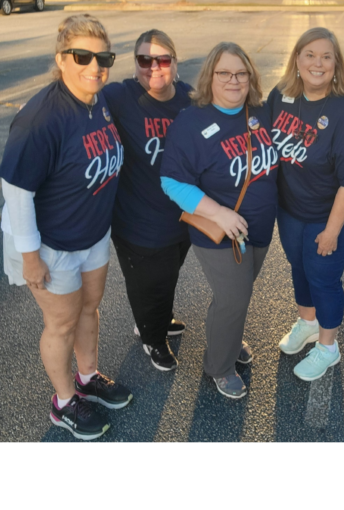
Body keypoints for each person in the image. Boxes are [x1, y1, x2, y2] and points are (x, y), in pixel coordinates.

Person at [0, 15, 131, 441]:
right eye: (82, 56)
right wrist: (30, 257)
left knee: (89, 309)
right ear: (61, 59)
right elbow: (16, 192)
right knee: (60, 323)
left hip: (92, 234)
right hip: (51, 245)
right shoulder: (41, 117)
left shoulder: (99, 100)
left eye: (103, 57)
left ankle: (87, 376)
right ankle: (62, 402)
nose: (95, 66)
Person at [160, 42, 279, 399]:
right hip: (218, 233)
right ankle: (219, 366)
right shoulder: (192, 121)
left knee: (234, 298)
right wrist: (220, 213)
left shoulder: (259, 113)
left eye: (241, 73)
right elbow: (172, 181)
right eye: (224, 73)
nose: (234, 80)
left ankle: (225, 340)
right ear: (210, 76)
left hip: (258, 228)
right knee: (233, 299)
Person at [269, 27, 344, 382]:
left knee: (324, 279)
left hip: (329, 217)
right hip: (291, 212)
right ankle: (307, 323)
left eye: (326, 56)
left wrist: (332, 231)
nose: (317, 63)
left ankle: (329, 347)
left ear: (336, 64)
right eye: (309, 54)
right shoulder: (280, 96)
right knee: (299, 269)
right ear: (296, 59)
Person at [103, 29, 192, 372]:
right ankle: (151, 337)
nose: (153, 67)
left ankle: (158, 318)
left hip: (182, 218)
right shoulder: (120, 96)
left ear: (174, 62)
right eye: (144, 59)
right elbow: (78, 96)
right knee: (148, 284)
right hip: (137, 220)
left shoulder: (188, 97)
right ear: (135, 63)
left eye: (162, 59)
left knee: (167, 276)